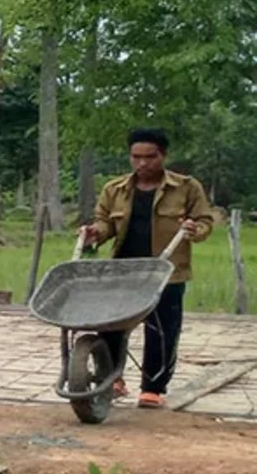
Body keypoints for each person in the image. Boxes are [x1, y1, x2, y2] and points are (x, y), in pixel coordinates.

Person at [80, 127, 214, 408]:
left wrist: (193, 229)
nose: (142, 163)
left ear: (163, 155)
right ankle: (111, 377)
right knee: (111, 325)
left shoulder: (187, 188)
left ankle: (153, 388)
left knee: (162, 330)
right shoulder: (114, 189)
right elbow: (105, 222)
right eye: (136, 157)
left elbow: (205, 222)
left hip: (166, 272)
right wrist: (95, 233)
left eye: (150, 157)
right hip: (123, 270)